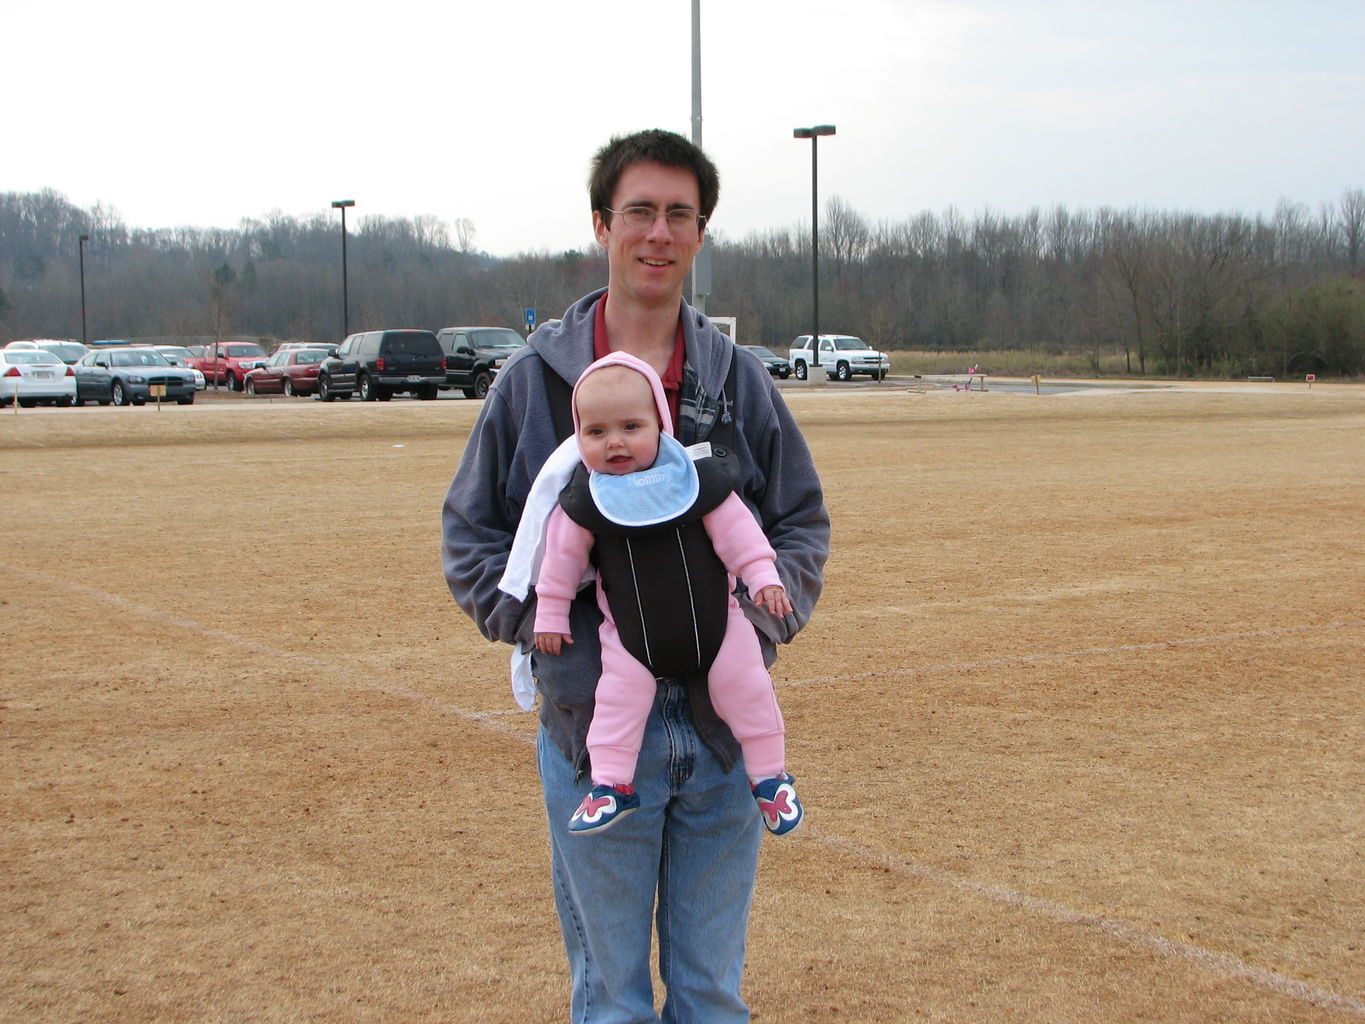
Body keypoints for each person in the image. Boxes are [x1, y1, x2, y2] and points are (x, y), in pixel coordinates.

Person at [442, 128, 829, 1022]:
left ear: (699, 234)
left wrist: (759, 620)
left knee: (708, 995)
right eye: (640, 212)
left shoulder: (737, 383)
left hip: (725, 734)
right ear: (601, 225)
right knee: (610, 998)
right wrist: (556, 637)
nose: (658, 232)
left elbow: (799, 519)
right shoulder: (534, 384)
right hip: (597, 732)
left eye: (679, 215)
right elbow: (471, 537)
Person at [526, 351, 803, 837]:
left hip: (722, 625)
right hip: (631, 639)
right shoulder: (585, 501)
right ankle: (611, 785)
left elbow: (738, 535)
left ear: (660, 422)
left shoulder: (697, 481)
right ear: (578, 437)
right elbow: (560, 561)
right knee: (616, 699)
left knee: (748, 688)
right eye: (596, 432)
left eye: (631, 426)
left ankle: (770, 778)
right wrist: (551, 614)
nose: (615, 442)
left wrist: (764, 579)